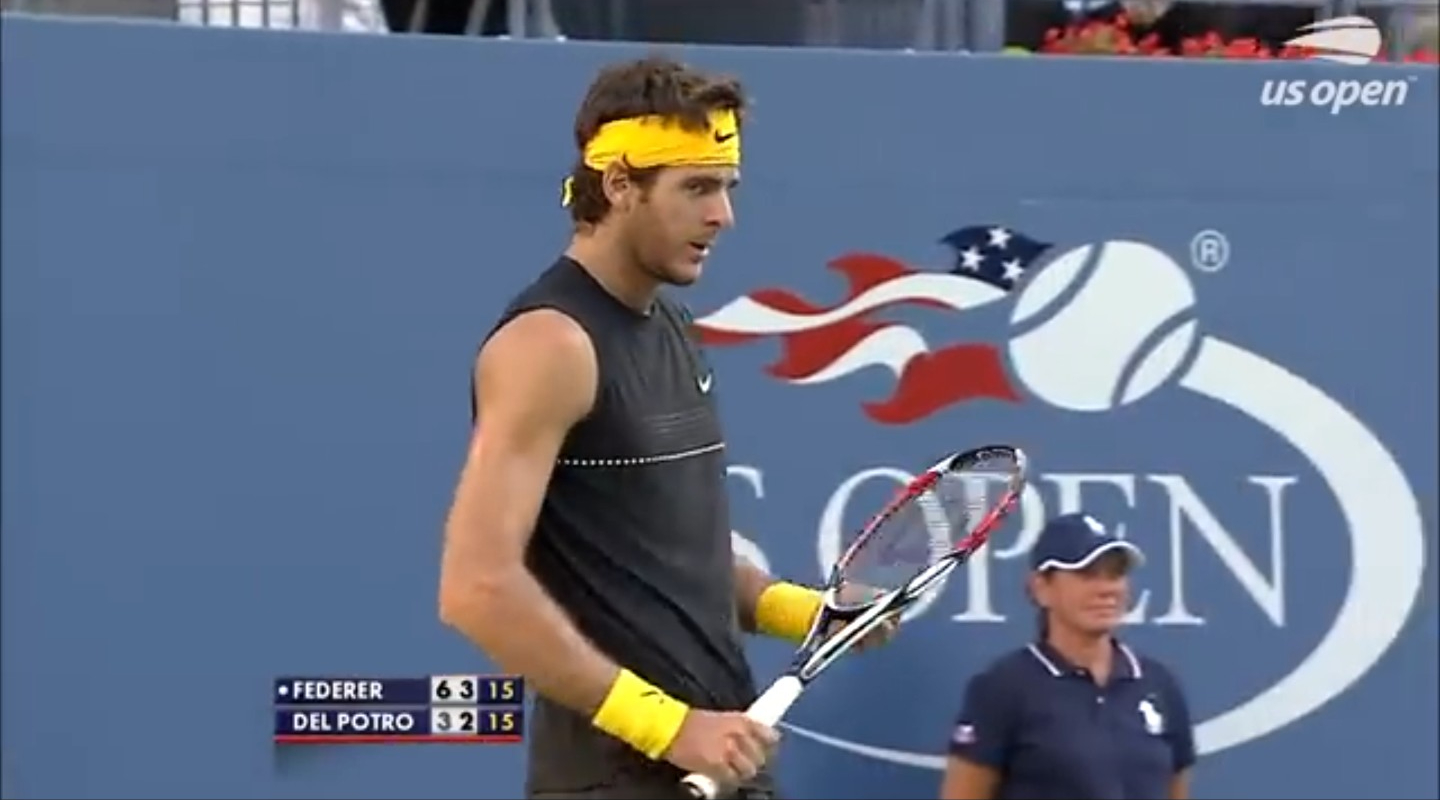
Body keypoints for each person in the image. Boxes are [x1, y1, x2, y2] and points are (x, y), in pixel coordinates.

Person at [437, 56, 891, 800]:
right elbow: (476, 587)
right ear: (620, 185)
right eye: (697, 188)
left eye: (727, 187)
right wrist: (668, 727)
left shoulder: (672, 325)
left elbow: (674, 555)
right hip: (617, 779)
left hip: (723, 761)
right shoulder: (549, 345)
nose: (723, 215)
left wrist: (804, 611)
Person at [939, 512, 1197, 800]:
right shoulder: (1003, 687)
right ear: (1041, 588)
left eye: (1115, 574)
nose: (1107, 589)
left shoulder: (1159, 685)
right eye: (1087, 575)